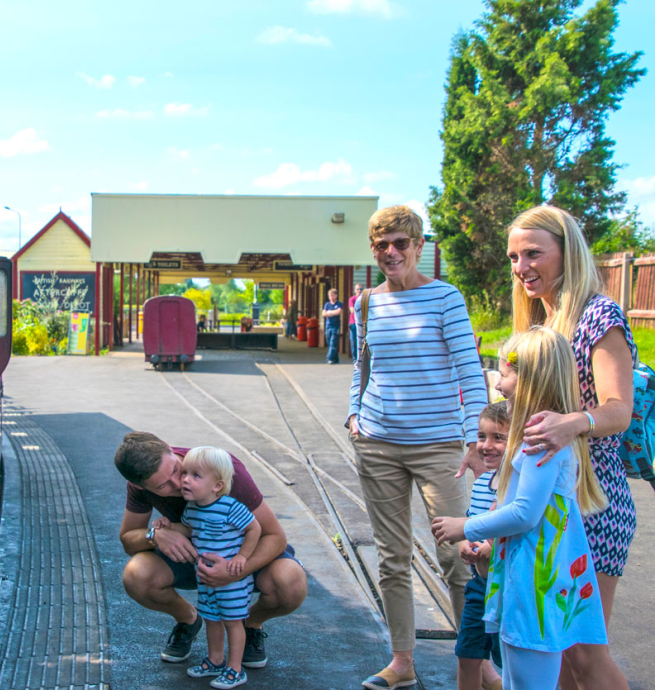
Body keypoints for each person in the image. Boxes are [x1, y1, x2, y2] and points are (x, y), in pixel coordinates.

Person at [490, 205, 634, 690]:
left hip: (590, 502)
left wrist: (570, 423)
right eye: (513, 256)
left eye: (533, 253)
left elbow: (619, 410)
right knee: (555, 652)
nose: (521, 267)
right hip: (545, 501)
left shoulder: (598, 315)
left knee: (581, 652)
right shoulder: (539, 316)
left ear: (565, 251)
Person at [346, 205, 486, 690]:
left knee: (459, 555)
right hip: (379, 445)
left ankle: (479, 665)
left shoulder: (446, 298)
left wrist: (476, 437)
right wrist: (353, 413)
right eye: (381, 245)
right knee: (392, 557)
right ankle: (402, 662)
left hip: (440, 446)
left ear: (419, 245)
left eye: (400, 243)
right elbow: (362, 365)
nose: (391, 253)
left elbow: (471, 370)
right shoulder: (367, 302)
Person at [432, 328, 610, 690]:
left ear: (531, 378)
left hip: (534, 586)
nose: (499, 384)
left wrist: (466, 526)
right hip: (527, 579)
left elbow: (525, 514)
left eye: (506, 373)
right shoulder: (539, 434)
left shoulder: (541, 439)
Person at [115, 432, 307, 670]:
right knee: (137, 575)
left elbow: (275, 536)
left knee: (291, 583)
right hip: (195, 557)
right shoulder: (138, 485)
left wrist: (236, 570)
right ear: (138, 485)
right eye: (163, 485)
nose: (179, 484)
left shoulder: (221, 469)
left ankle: (251, 623)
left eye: (176, 469)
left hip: (241, 554)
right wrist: (155, 535)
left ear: (168, 447)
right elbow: (127, 538)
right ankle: (188, 619)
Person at [152, 447, 261, 688]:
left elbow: (255, 528)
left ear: (217, 486)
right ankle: (215, 659)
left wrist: (242, 557)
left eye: (196, 476)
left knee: (233, 622)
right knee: (212, 618)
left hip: (231, 578)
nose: (185, 480)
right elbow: (189, 531)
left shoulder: (231, 507)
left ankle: (235, 669)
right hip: (205, 578)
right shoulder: (192, 509)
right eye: (186, 473)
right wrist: (165, 527)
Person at [454, 402, 508, 690]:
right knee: (467, 654)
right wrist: (464, 539)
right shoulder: (482, 482)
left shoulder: (515, 485)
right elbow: (470, 519)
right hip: (479, 586)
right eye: (482, 436)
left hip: (507, 589)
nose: (486, 446)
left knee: (509, 659)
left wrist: (491, 545)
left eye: (498, 438)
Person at [322, 288, 342, 364]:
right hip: (328, 326)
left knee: (333, 342)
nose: (331, 297)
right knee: (329, 342)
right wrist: (332, 312)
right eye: (330, 296)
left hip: (335, 326)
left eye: (333, 296)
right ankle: (336, 359)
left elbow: (338, 312)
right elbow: (323, 313)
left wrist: (329, 312)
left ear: (336, 296)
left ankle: (329, 358)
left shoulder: (339, 304)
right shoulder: (327, 304)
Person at [349, 283, 363, 364]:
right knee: (354, 341)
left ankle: (361, 358)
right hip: (353, 323)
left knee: (362, 341)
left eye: (361, 289)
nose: (359, 291)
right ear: (355, 290)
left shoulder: (364, 299)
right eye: (358, 289)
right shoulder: (352, 299)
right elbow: (352, 310)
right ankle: (355, 359)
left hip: (363, 323)